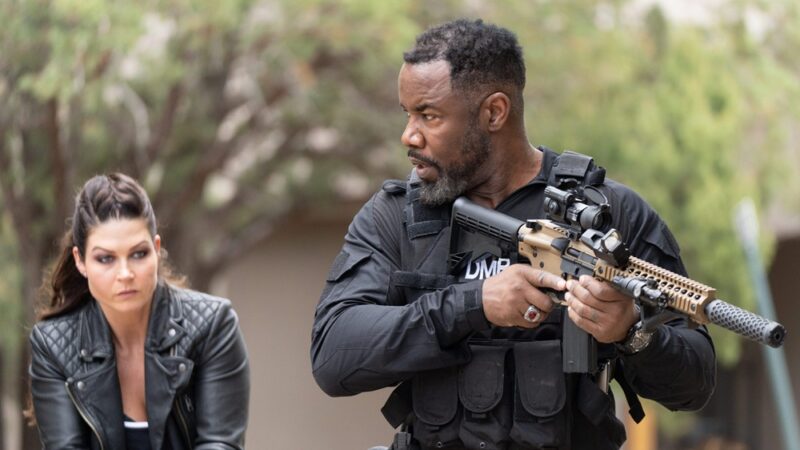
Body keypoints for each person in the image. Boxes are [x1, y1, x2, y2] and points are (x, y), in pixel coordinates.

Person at [311, 19, 716, 450]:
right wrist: (474, 305)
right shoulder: (395, 216)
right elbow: (333, 356)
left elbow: (695, 385)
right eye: (407, 114)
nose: (408, 135)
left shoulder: (605, 214)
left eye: (428, 115)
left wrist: (631, 331)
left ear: (494, 113)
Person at [28, 173, 249, 449]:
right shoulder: (53, 345)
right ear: (80, 261)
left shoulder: (213, 325)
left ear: (157, 249)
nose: (125, 273)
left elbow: (220, 443)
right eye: (105, 258)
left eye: (138, 254)